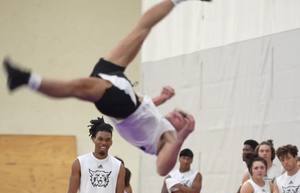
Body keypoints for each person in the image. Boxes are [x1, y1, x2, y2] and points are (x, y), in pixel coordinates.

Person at [3, 0, 212, 176]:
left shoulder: (169, 138)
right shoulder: (159, 120)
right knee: (141, 31)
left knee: (78, 87)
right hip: (122, 86)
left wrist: (184, 135)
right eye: (178, 111)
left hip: (123, 107)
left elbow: (162, 169)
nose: (177, 113)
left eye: (181, 118)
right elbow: (149, 110)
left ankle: (25, 79)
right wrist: (161, 98)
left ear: (180, 127)